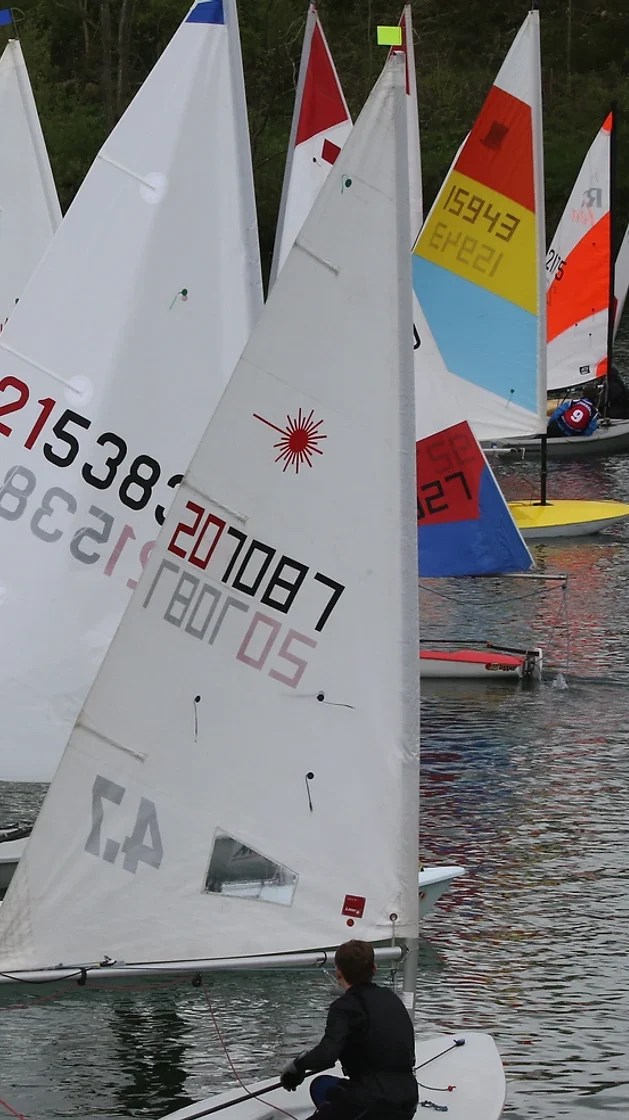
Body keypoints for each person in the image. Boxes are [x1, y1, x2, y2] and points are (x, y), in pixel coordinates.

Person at [279, 940, 418, 1120]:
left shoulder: (344, 1007)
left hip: (373, 1103)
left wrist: (298, 1066)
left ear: (338, 972)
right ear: (374, 969)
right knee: (320, 1085)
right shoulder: (391, 997)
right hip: (408, 1098)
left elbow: (327, 1055)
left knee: (347, 1100)